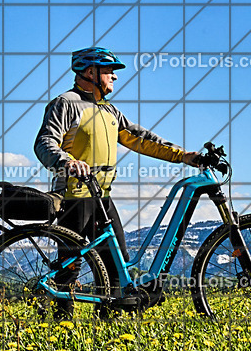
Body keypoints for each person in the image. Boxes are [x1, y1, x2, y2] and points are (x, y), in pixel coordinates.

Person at [33, 46, 201, 310]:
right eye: (109, 70)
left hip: (102, 198)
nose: (114, 76)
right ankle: (60, 325)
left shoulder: (110, 111)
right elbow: (44, 142)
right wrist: (67, 161)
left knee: (117, 266)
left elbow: (142, 139)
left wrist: (184, 156)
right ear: (90, 72)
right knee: (68, 269)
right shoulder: (66, 103)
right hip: (73, 197)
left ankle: (108, 324)